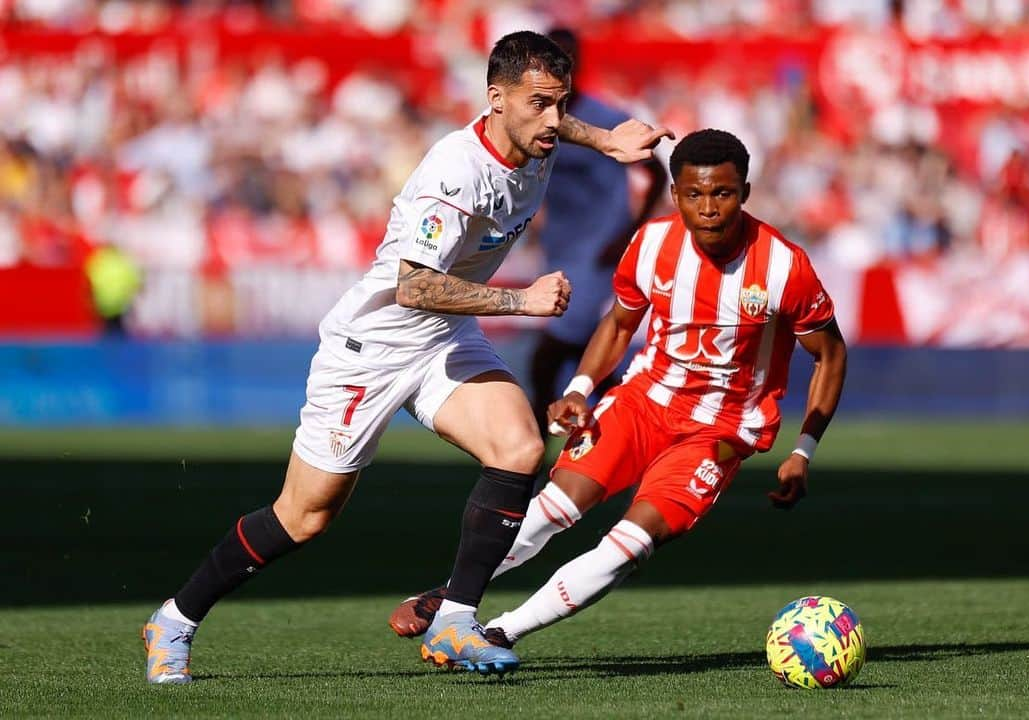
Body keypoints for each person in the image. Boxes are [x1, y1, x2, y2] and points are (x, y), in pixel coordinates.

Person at [142, 30, 673, 684]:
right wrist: (521, 301)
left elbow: (557, 125)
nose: (553, 120)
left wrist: (608, 139)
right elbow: (413, 285)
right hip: (376, 347)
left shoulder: (536, 132)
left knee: (518, 447)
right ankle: (174, 620)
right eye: (539, 104)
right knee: (304, 518)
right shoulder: (458, 171)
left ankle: (455, 621)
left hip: (442, 340)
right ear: (494, 99)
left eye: (560, 104)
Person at [388, 129, 847, 651]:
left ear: (745, 191)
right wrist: (581, 389)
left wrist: (803, 451)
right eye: (694, 195)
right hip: (643, 401)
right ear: (675, 195)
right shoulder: (651, 243)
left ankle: (500, 631)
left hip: (721, 429)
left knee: (627, 545)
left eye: (722, 193)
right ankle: (456, 599)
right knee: (553, 508)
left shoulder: (785, 267)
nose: (709, 208)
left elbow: (830, 354)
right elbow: (619, 325)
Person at [527, 28, 667, 436]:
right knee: (587, 351)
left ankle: (529, 453)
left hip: (597, 252)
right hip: (559, 250)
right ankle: (622, 430)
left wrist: (629, 234)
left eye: (569, 57)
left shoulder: (604, 117)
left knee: (548, 356)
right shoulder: (537, 120)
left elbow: (654, 168)